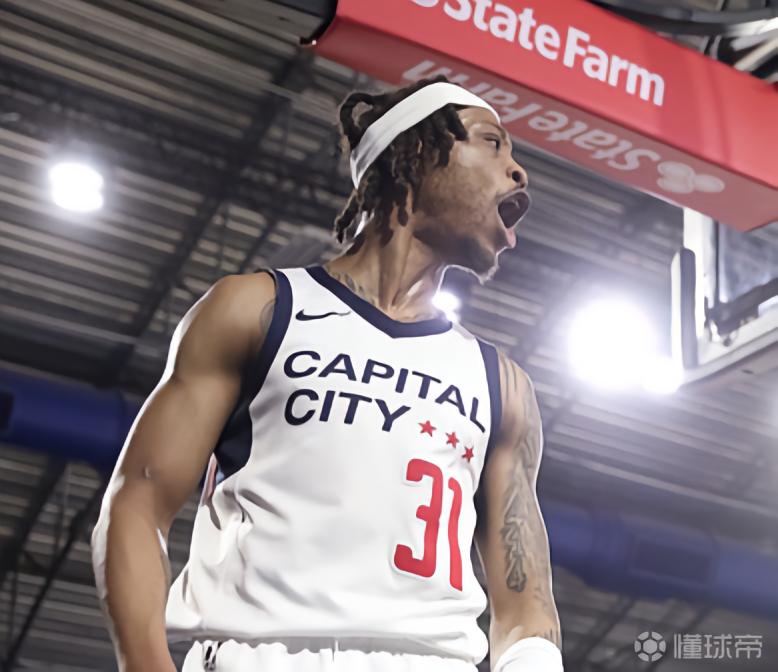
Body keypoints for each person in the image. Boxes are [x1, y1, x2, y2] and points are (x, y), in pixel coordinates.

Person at [91, 75, 563, 672]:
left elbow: (526, 608)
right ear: (416, 151)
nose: (519, 172)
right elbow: (137, 501)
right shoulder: (257, 310)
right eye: (492, 143)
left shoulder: (502, 384)